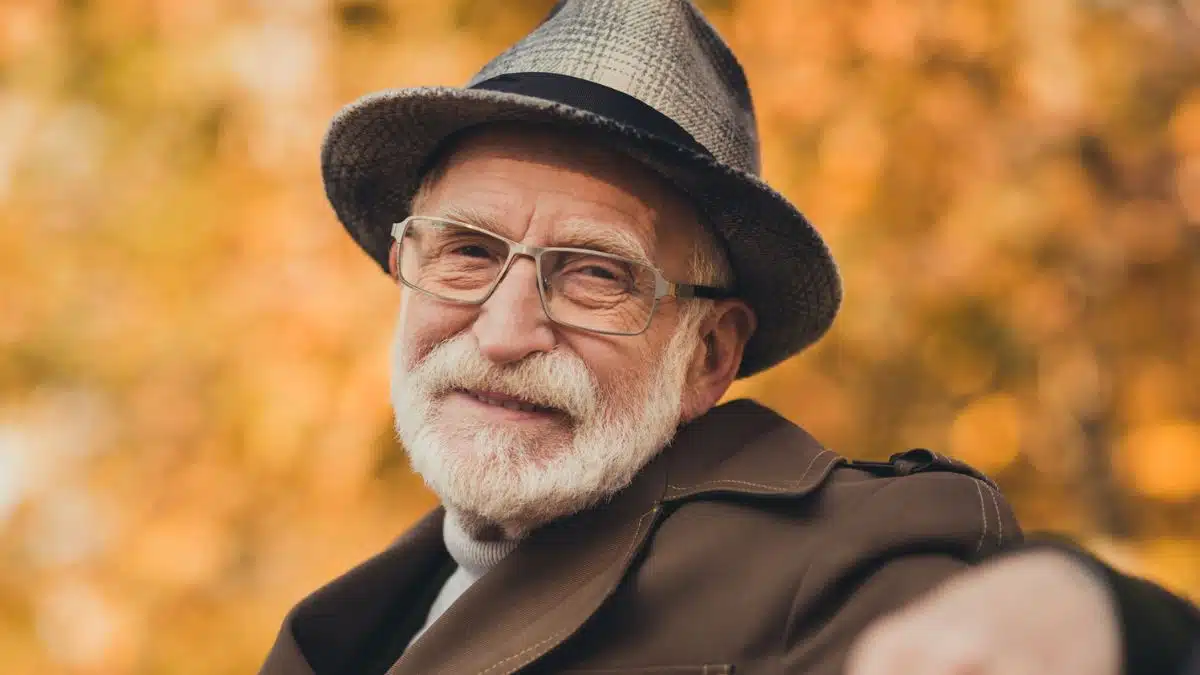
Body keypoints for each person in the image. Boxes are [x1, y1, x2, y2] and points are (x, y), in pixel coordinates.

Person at [258, 1, 1199, 673]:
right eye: (466, 251)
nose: (505, 332)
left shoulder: (841, 559)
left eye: (595, 272)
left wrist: (1107, 616)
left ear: (708, 355)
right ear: (404, 268)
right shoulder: (368, 616)